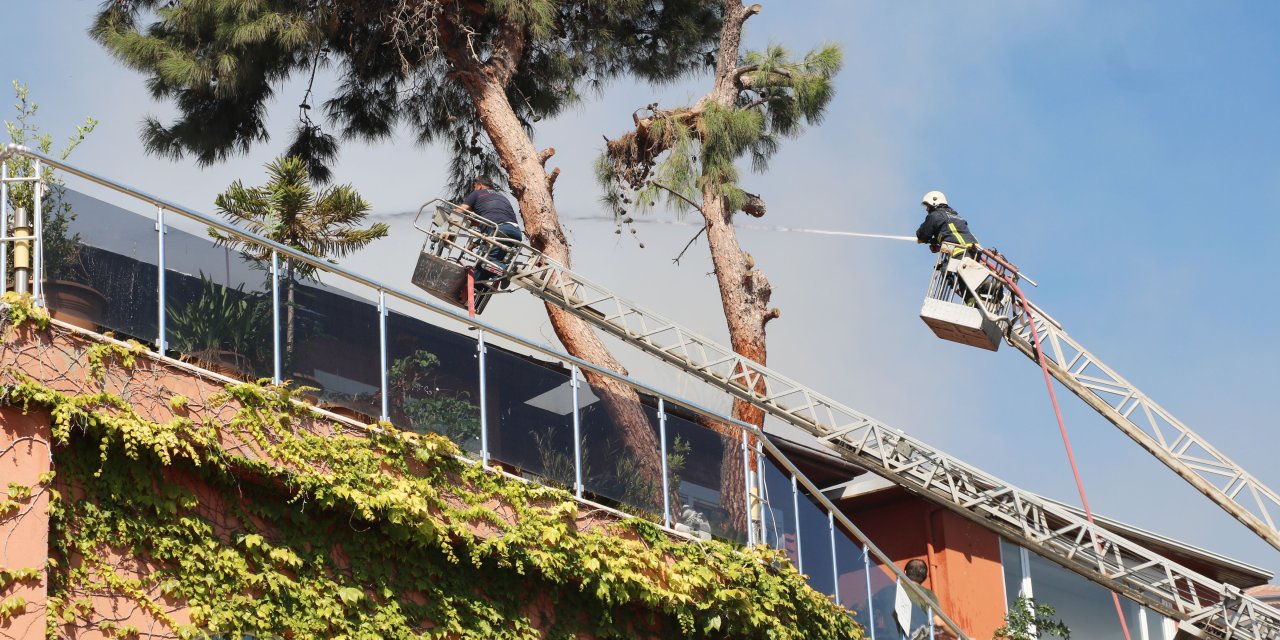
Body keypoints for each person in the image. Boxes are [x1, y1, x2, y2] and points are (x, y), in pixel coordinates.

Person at [458, 176, 522, 284]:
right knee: (487, 265)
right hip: (515, 232)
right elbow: (492, 221)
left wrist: (449, 214)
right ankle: (490, 280)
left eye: (475, 187)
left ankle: (506, 271)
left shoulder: (477, 193)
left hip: (499, 231)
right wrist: (476, 242)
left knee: (484, 262)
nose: (474, 189)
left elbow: (460, 210)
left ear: (479, 186)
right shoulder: (501, 197)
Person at [915, 190, 978, 257]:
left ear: (934, 203)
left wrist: (923, 239)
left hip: (960, 253)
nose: (927, 209)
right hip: (976, 251)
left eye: (928, 206)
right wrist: (938, 244)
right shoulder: (957, 217)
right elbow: (952, 234)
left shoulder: (935, 215)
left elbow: (923, 235)